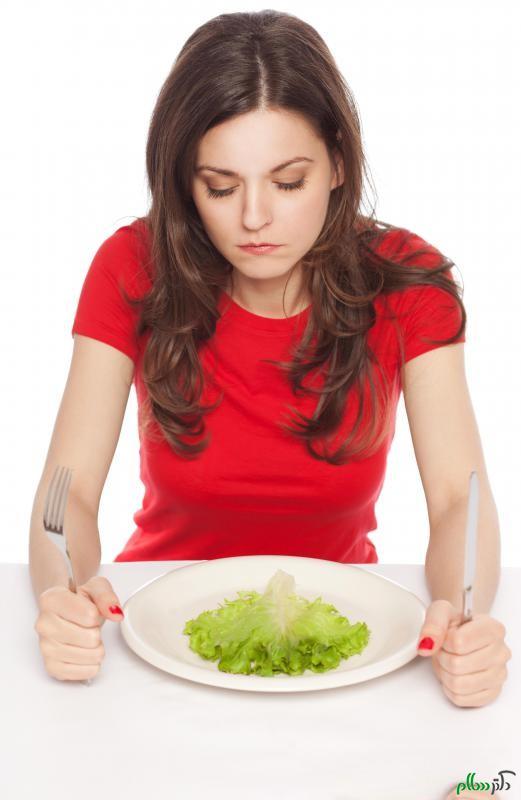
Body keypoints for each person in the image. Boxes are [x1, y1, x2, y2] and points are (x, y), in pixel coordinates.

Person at [30, 9, 510, 714]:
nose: (253, 218)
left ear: (338, 162)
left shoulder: (407, 278)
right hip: (150, 637)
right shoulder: (131, 266)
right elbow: (64, 493)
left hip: (346, 651)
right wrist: (63, 594)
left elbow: (454, 499)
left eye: (287, 181)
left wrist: (461, 616)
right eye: (220, 187)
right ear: (184, 182)